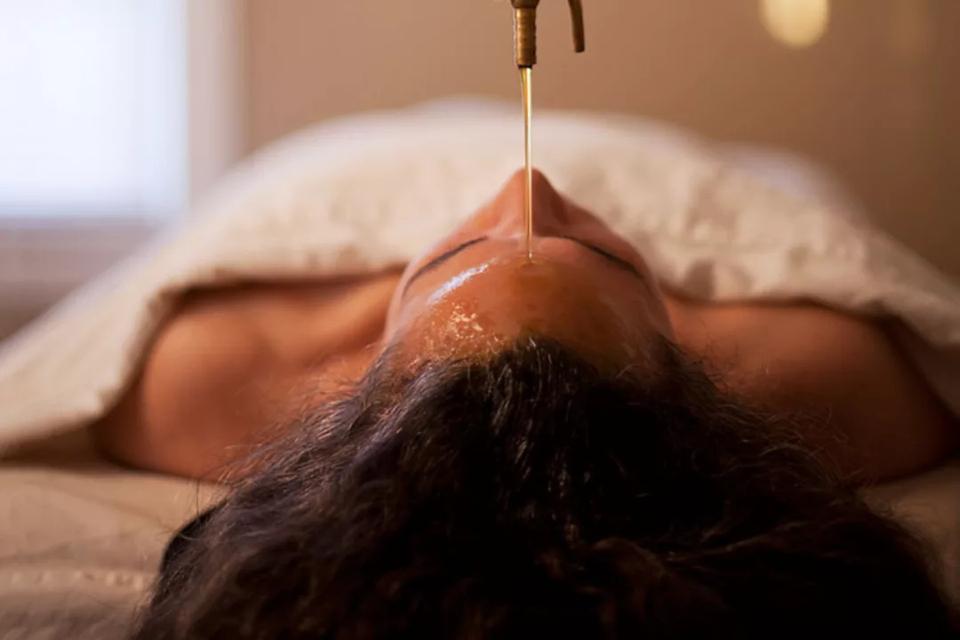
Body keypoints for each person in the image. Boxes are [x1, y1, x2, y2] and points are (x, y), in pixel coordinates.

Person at [93, 171, 958, 638]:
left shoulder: (200, 378)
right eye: (618, 263)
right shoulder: (848, 389)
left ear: (349, 373)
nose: (526, 185)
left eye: (458, 249)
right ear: (702, 364)